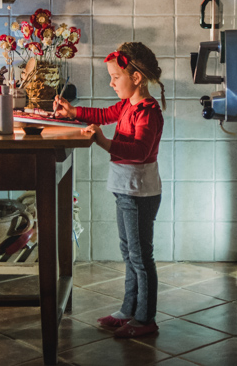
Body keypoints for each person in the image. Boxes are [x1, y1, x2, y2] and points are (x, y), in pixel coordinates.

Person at [54, 42, 166, 338]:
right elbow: (103, 115)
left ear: (136, 78)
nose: (111, 82)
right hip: (125, 190)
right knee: (129, 254)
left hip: (140, 193)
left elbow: (140, 151)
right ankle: (129, 311)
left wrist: (103, 142)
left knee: (141, 257)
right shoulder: (128, 105)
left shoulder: (148, 112)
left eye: (116, 77)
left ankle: (145, 319)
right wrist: (73, 112)